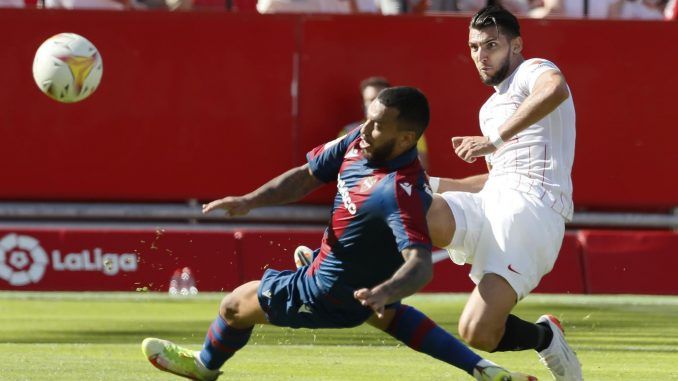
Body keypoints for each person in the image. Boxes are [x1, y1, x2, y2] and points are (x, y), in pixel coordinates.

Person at [141, 87, 535, 381]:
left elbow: (419, 264)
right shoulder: (358, 143)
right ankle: (482, 368)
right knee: (387, 316)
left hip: (325, 293)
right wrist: (249, 201)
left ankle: (205, 367)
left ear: (405, 139)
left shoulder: (397, 191)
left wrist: (385, 291)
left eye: (378, 124)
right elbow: (307, 175)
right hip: (353, 282)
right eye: (368, 117)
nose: (366, 128)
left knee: (234, 305)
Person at [424, 5, 583, 381]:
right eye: (475, 46)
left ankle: (546, 338)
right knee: (413, 202)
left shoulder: (533, 70)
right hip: (492, 202)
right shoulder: (489, 108)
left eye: (491, 45)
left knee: (476, 332)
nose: (481, 55)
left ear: (516, 45)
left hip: (535, 211)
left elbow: (555, 89)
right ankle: (336, 268)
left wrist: (492, 140)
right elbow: (492, 179)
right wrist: (424, 182)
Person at [342, 76, 429, 171]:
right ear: (363, 104)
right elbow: (342, 169)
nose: (377, 104)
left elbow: (422, 168)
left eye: (383, 99)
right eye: (371, 99)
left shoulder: (408, 131)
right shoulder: (348, 132)